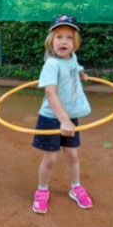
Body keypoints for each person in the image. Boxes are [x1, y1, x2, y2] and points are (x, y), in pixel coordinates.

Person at [31, 14, 92, 214]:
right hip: (51, 118)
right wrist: (63, 120)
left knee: (73, 155)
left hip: (69, 116)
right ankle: (41, 190)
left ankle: (75, 187)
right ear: (51, 41)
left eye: (68, 37)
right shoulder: (51, 65)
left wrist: (81, 72)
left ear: (75, 43)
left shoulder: (72, 57)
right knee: (50, 159)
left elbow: (74, 65)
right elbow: (50, 93)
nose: (63, 41)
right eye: (59, 37)